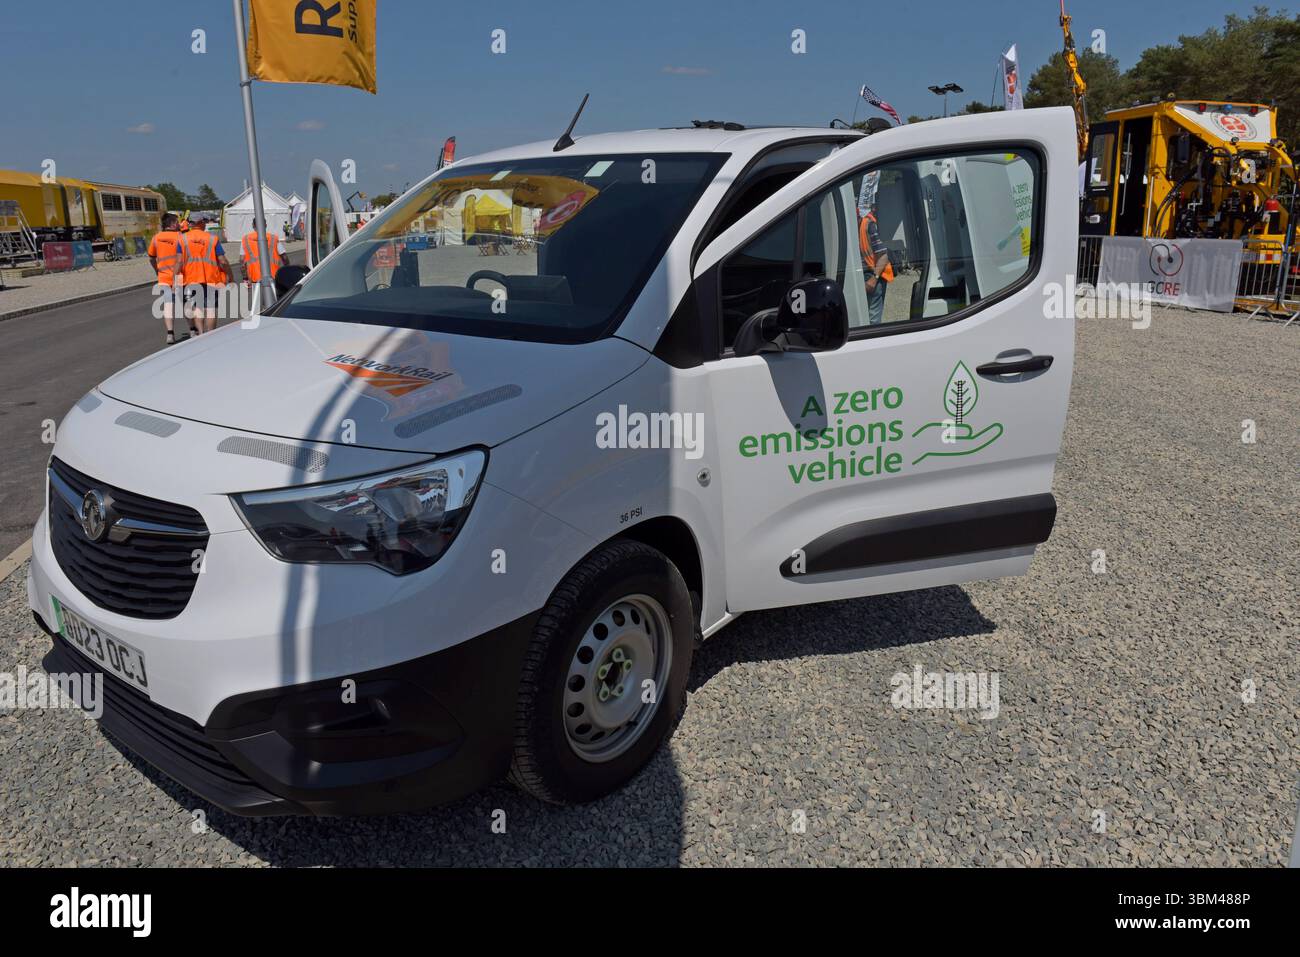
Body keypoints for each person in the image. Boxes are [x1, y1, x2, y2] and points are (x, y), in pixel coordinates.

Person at [147, 213, 196, 345]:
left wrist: (157, 270)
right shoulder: (181, 237)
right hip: (179, 276)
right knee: (185, 302)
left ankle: (170, 334)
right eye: (177, 222)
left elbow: (151, 257)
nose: (179, 224)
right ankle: (192, 330)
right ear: (173, 224)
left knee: (169, 304)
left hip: (163, 276)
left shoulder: (156, 238)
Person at [180, 216, 231, 334]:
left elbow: (178, 261)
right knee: (211, 308)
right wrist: (229, 275)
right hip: (211, 278)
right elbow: (222, 261)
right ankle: (211, 335)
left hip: (191, 278)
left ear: (191, 224)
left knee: (198, 307)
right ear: (202, 223)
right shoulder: (212, 239)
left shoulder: (183, 239)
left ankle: (201, 333)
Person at [857, 171, 894, 326]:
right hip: (863, 276)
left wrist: (874, 279)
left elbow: (883, 255)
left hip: (871, 277)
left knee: (872, 323)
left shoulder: (867, 225)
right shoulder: (858, 224)